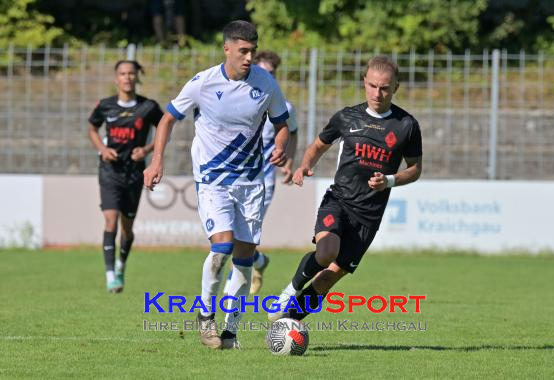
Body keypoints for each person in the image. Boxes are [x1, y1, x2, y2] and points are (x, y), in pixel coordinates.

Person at [143, 21, 290, 349]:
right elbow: (167, 119)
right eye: (243, 51)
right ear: (227, 49)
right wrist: (156, 161)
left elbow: (283, 124)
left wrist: (281, 145)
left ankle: (230, 332)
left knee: (245, 257)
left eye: (252, 50)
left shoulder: (266, 83)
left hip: (251, 182)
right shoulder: (203, 84)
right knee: (221, 246)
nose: (249, 57)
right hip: (213, 181)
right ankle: (205, 314)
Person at [268, 55, 423, 321]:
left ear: (395, 87)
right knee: (327, 251)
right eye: (372, 85)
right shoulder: (347, 117)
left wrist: (389, 181)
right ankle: (290, 290)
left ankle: (287, 323)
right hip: (339, 201)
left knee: (330, 277)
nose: (377, 92)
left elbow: (415, 169)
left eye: (384, 87)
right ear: (364, 82)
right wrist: (304, 165)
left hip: (368, 217)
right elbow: (317, 146)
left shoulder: (406, 125)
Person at [222, 51, 299, 296]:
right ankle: (259, 261)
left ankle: (230, 287)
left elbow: (292, 132)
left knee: (240, 233)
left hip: (262, 178)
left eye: (271, 73)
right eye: (262, 70)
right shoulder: (238, 99)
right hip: (232, 175)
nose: (266, 76)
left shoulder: (283, 106)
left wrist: (288, 160)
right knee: (227, 233)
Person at [88, 60, 164, 293]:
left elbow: (164, 128)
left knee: (127, 228)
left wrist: (147, 149)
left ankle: (121, 265)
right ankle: (111, 275)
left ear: (136, 77)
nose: (127, 77)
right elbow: (92, 128)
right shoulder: (105, 106)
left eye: (131, 74)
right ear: (116, 78)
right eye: (122, 74)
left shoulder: (148, 106)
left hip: (134, 174)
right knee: (110, 219)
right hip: (110, 171)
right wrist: (102, 149)